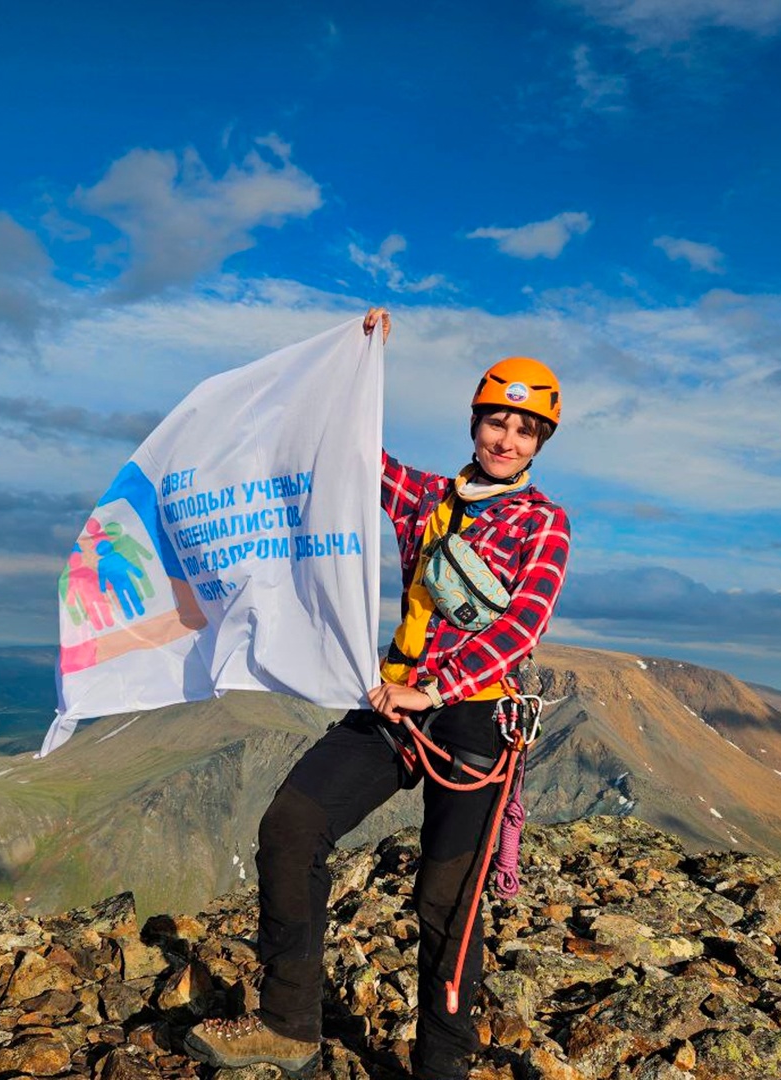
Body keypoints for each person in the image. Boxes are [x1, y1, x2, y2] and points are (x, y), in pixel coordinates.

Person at [185, 308, 571, 1079]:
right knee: (292, 827)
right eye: (496, 422)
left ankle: (442, 1068)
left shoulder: (545, 525)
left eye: (524, 430)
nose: (506, 439)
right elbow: (354, 454)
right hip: (397, 702)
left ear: (539, 443)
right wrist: (359, 363)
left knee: (445, 903)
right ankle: (289, 1025)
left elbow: (519, 630)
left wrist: (438, 689)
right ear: (474, 424)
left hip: (475, 719)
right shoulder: (427, 499)